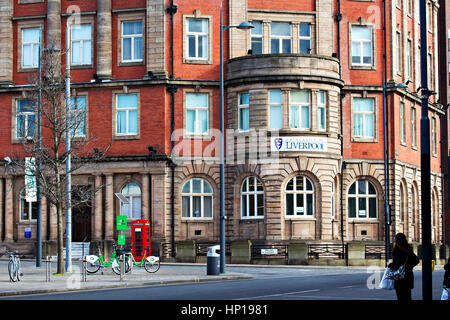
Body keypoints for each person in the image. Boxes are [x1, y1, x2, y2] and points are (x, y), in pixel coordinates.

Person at [388, 233, 419, 301]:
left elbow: (397, 264)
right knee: (407, 296)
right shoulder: (408, 249)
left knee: (400, 296)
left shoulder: (397, 250)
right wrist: (408, 267)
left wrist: (391, 265)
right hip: (407, 276)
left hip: (399, 277)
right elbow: (416, 260)